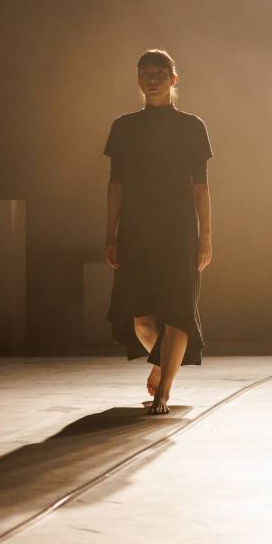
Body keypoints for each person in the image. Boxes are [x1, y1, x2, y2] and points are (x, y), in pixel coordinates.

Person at [103, 49, 213, 415]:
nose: (152, 79)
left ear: (173, 79)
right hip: (137, 229)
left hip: (179, 229)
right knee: (142, 318)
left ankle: (163, 392)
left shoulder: (192, 126)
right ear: (138, 79)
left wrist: (206, 237)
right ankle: (161, 362)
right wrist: (110, 234)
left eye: (159, 73)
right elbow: (115, 184)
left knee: (178, 311)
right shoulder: (123, 127)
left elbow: (201, 186)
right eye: (146, 73)